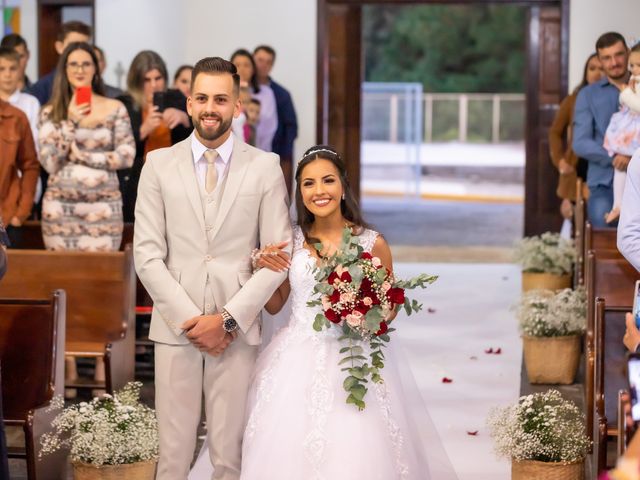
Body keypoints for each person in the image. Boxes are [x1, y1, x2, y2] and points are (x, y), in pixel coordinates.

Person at [190, 146, 457, 479]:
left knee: (357, 446)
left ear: (343, 186)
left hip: (353, 360)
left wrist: (363, 308)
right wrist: (258, 267)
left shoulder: (372, 243)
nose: (319, 191)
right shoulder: (291, 241)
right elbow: (275, 304)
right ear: (300, 193)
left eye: (328, 181)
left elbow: (390, 309)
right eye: (308, 184)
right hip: (295, 357)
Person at [133, 56, 292, 480]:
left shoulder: (264, 167)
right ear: (188, 103)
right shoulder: (158, 165)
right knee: (172, 455)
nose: (210, 107)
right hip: (176, 327)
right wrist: (192, 321)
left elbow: (279, 258)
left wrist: (225, 321)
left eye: (221, 99)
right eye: (202, 97)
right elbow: (147, 255)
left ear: (237, 106)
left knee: (228, 456)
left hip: (235, 330)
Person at [38, 42, 134, 251]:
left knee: (104, 277)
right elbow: (49, 163)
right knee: (63, 278)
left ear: (95, 69)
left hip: (104, 208)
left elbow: (126, 156)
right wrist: (70, 121)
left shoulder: (115, 107)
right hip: (61, 210)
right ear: (64, 70)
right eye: (73, 64)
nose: (80, 70)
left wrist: (83, 156)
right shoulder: (49, 112)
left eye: (86, 64)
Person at [117, 50, 192, 221]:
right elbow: (118, 147)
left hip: (176, 180)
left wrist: (185, 118)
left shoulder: (177, 98)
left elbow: (198, 134)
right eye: (146, 80)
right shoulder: (125, 104)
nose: (154, 85)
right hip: (137, 182)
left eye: (158, 78)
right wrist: (143, 130)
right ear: (136, 81)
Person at [573, 32, 631, 228]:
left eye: (619, 55)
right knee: (604, 237)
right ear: (599, 60)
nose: (614, 62)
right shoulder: (587, 95)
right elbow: (580, 143)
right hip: (603, 184)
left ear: (628, 53)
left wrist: (633, 156)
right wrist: (616, 156)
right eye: (606, 57)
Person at [549, 53, 602, 221]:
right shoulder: (573, 100)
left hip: (602, 165)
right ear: (585, 72)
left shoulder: (616, 97)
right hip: (576, 166)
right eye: (592, 68)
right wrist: (560, 161)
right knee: (574, 222)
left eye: (601, 69)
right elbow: (555, 132)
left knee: (598, 219)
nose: (596, 73)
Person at [603, 43, 640, 224]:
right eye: (632, 65)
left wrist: (626, 93)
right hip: (630, 128)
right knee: (620, 167)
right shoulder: (635, 79)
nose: (634, 70)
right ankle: (618, 206)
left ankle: (622, 207)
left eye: (638, 65)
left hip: (637, 132)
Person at [254, 45, 298, 194]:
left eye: (268, 62)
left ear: (272, 65)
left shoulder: (281, 94)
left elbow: (291, 127)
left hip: (273, 154)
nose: (263, 65)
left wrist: (283, 156)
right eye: (260, 60)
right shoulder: (241, 90)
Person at [0, 97, 39, 247]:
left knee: (11, 270)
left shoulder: (16, 117)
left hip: (6, 217)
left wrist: (21, 212)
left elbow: (30, 165)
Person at [28, 21, 91, 106]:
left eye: (84, 46)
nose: (78, 50)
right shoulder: (42, 88)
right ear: (59, 47)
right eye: (72, 45)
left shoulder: (94, 83)